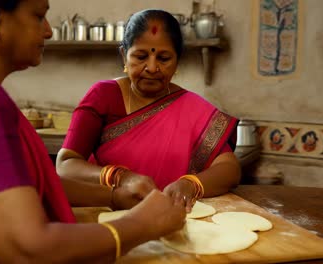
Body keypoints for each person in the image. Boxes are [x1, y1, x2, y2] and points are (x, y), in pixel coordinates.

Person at [0, 0, 186, 263]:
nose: (48, 30)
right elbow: (25, 248)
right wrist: (143, 225)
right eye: (38, 16)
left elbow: (7, 185)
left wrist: (113, 195)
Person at [56, 9, 241, 211]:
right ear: (123, 56)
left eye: (163, 58)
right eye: (141, 56)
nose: (152, 67)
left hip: (172, 219)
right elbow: (66, 165)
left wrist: (191, 184)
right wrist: (120, 177)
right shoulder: (103, 96)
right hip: (111, 219)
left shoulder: (192, 108)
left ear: (177, 60)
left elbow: (229, 168)